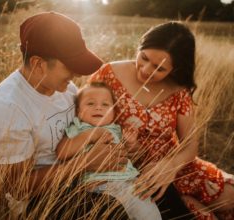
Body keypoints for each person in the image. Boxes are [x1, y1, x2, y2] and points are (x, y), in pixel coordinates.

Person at [90, 22, 234, 219]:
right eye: (144, 57)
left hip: (170, 161)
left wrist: (169, 167)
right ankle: (187, 204)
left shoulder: (179, 90)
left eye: (159, 68)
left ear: (175, 69)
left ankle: (185, 200)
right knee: (167, 199)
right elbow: (85, 115)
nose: (146, 70)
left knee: (229, 197)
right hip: (125, 161)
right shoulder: (109, 74)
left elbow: (190, 145)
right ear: (139, 47)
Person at [0, 12, 129, 219]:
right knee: (113, 212)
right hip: (40, 202)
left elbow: (86, 129)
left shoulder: (66, 88)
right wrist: (85, 162)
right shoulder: (6, 108)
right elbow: (18, 187)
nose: (77, 74)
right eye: (70, 66)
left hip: (85, 177)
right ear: (39, 64)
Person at [56, 82, 162, 220]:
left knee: (149, 215)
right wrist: (89, 135)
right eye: (90, 104)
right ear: (77, 111)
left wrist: (132, 143)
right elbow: (62, 152)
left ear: (113, 112)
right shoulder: (78, 128)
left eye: (105, 104)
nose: (98, 107)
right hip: (97, 187)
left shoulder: (117, 129)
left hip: (129, 184)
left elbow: (136, 156)